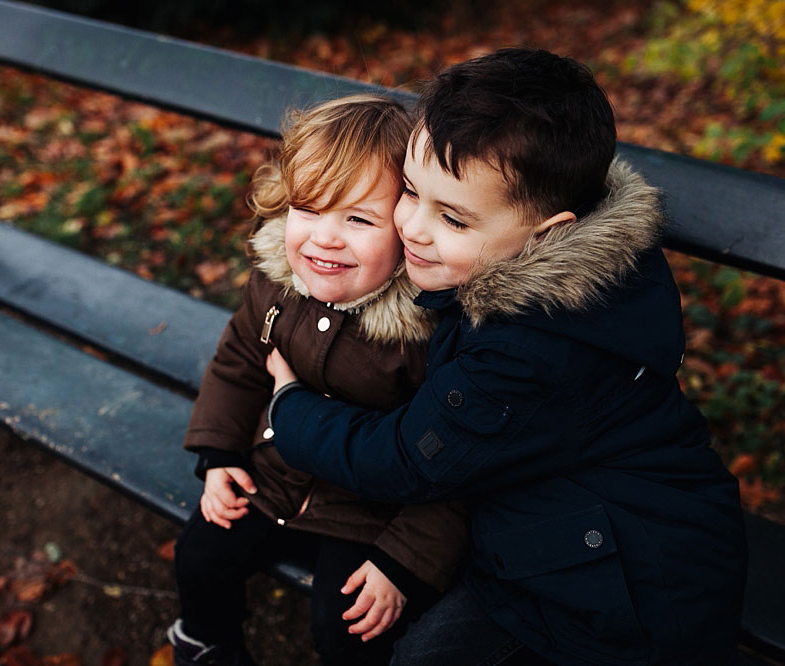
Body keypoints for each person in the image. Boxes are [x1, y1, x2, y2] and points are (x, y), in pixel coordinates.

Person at [265, 49, 748, 665]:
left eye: (453, 220)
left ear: (548, 232)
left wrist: (290, 408)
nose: (410, 225)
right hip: (565, 536)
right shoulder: (559, 267)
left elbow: (407, 460)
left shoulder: (532, 350)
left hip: (622, 592)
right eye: (411, 191)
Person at [168, 94, 468, 666]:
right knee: (199, 557)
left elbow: (453, 462)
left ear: (407, 228)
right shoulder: (277, 286)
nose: (325, 238)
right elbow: (237, 361)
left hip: (371, 512)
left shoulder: (428, 335)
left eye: (358, 219)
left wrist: (403, 560)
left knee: (348, 624)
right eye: (308, 209)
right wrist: (219, 452)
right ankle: (207, 642)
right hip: (273, 477)